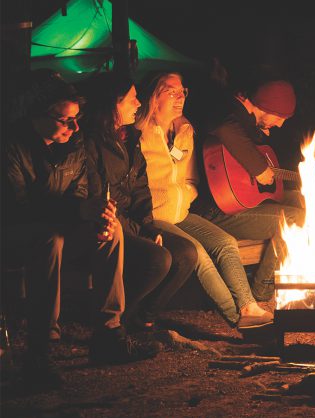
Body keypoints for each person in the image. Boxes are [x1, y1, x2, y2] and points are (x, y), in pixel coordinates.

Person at [2, 71, 156, 389]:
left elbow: (80, 194)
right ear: (37, 116)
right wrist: (77, 210)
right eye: (65, 120)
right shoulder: (12, 149)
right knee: (50, 239)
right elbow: (17, 208)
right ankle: (40, 352)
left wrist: (96, 216)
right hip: (16, 236)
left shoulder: (73, 148)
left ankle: (109, 334)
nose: (74, 127)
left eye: (76, 119)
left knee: (110, 232)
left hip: (61, 231)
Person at [136, 72, 274, 330]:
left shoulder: (184, 130)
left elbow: (191, 178)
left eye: (182, 92)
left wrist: (185, 195)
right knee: (198, 253)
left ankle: (248, 306)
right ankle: (238, 319)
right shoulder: (140, 133)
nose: (179, 99)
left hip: (181, 212)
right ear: (154, 97)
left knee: (225, 242)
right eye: (171, 92)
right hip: (154, 215)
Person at [82, 72, 197, 332]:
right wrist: (140, 232)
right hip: (113, 225)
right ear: (114, 104)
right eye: (132, 99)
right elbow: (102, 199)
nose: (138, 104)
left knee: (187, 254)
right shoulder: (92, 143)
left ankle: (143, 319)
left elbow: (141, 189)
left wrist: (149, 227)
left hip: (135, 223)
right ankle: (113, 325)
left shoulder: (129, 139)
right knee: (160, 259)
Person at [190, 79, 305, 303]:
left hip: (235, 203)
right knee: (296, 218)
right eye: (279, 117)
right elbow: (223, 126)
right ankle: (263, 287)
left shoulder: (243, 120)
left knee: (304, 200)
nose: (280, 125)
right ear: (266, 107)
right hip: (217, 211)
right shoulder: (227, 112)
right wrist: (259, 168)